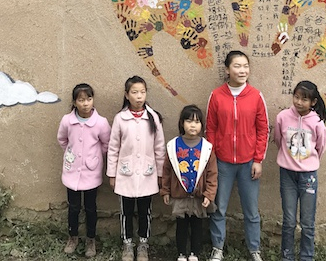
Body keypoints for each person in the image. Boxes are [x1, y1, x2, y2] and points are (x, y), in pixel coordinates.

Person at [206, 50, 269, 261]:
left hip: (248, 163)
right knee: (219, 208)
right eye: (237, 66)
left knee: (251, 210)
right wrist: (212, 159)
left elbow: (263, 130)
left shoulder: (255, 96)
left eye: (245, 66)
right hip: (222, 163)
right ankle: (217, 248)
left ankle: (254, 249)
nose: (242, 71)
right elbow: (210, 129)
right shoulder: (216, 96)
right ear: (227, 70)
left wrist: (258, 160)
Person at [107, 76, 166, 261]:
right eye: (134, 92)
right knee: (126, 212)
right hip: (125, 174)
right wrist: (112, 174)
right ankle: (127, 244)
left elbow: (160, 147)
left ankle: (143, 244)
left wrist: (160, 173)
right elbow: (113, 148)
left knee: (144, 212)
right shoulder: (120, 118)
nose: (139, 96)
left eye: (142, 92)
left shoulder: (153, 117)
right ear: (127, 95)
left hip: (147, 174)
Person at [273, 81, 326, 261]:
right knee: (289, 221)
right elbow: (278, 139)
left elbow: (320, 147)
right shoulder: (282, 117)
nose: (299, 102)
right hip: (287, 175)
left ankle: (307, 257)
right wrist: (289, 159)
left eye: (304, 99)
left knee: (307, 222)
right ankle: (287, 257)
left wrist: (308, 163)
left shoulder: (317, 123)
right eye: (296, 97)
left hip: (308, 176)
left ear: (313, 102)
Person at [57, 83, 111, 258]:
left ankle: (90, 239)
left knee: (90, 208)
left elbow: (106, 143)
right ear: (74, 102)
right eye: (81, 100)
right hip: (72, 172)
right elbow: (62, 139)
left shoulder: (101, 123)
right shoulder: (67, 121)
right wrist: (71, 155)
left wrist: (94, 158)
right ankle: (72, 237)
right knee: (73, 207)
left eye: (89, 99)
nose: (85, 103)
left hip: (91, 173)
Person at [161, 104, 218, 261]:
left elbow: (212, 173)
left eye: (197, 122)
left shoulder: (207, 147)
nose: (193, 125)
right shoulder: (173, 146)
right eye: (189, 121)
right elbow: (166, 170)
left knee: (197, 225)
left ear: (202, 125)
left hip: (199, 196)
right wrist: (165, 190)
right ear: (182, 123)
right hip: (180, 196)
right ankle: (181, 253)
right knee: (181, 225)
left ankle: (194, 253)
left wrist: (209, 194)